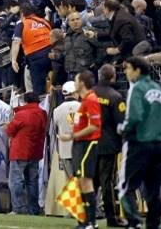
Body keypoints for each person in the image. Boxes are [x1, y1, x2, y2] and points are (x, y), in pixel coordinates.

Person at [117, 56, 161, 229]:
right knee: (153, 188)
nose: (126, 72)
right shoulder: (158, 88)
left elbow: (134, 117)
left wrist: (122, 128)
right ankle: (153, 224)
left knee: (125, 187)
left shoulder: (137, 89)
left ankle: (134, 222)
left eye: (128, 68)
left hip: (140, 142)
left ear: (137, 70)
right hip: (159, 144)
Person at [59, 71, 102, 229]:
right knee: (81, 182)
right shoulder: (85, 100)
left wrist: (72, 135)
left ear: (82, 83)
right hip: (80, 144)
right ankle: (86, 221)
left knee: (86, 182)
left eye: (76, 80)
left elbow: (94, 125)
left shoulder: (91, 99)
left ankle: (90, 221)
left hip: (87, 144)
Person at [92, 64, 127, 227]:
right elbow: (121, 124)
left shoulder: (89, 94)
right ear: (113, 76)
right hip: (108, 144)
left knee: (91, 182)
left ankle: (86, 216)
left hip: (90, 143)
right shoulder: (115, 96)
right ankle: (111, 217)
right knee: (107, 182)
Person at [5, 92, 47, 215]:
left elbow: (10, 130)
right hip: (35, 151)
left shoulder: (21, 114)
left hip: (20, 151)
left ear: (25, 101)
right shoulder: (42, 113)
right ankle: (33, 209)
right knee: (32, 181)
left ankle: (18, 208)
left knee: (16, 181)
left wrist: (8, 125)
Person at [11, 3, 51, 95]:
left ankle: (39, 107)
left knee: (38, 89)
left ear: (21, 14)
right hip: (51, 54)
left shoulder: (22, 24)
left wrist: (13, 60)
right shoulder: (43, 21)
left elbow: (16, 42)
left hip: (36, 57)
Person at [63, 12, 105, 80]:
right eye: (72, 20)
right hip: (71, 74)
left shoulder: (88, 32)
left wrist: (96, 63)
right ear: (68, 23)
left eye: (77, 19)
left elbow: (101, 48)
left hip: (87, 73)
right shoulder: (66, 37)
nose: (75, 21)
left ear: (81, 20)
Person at [53, 81, 80, 178]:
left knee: (71, 181)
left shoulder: (56, 110)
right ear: (75, 92)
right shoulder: (83, 107)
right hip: (81, 150)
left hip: (64, 151)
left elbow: (55, 131)